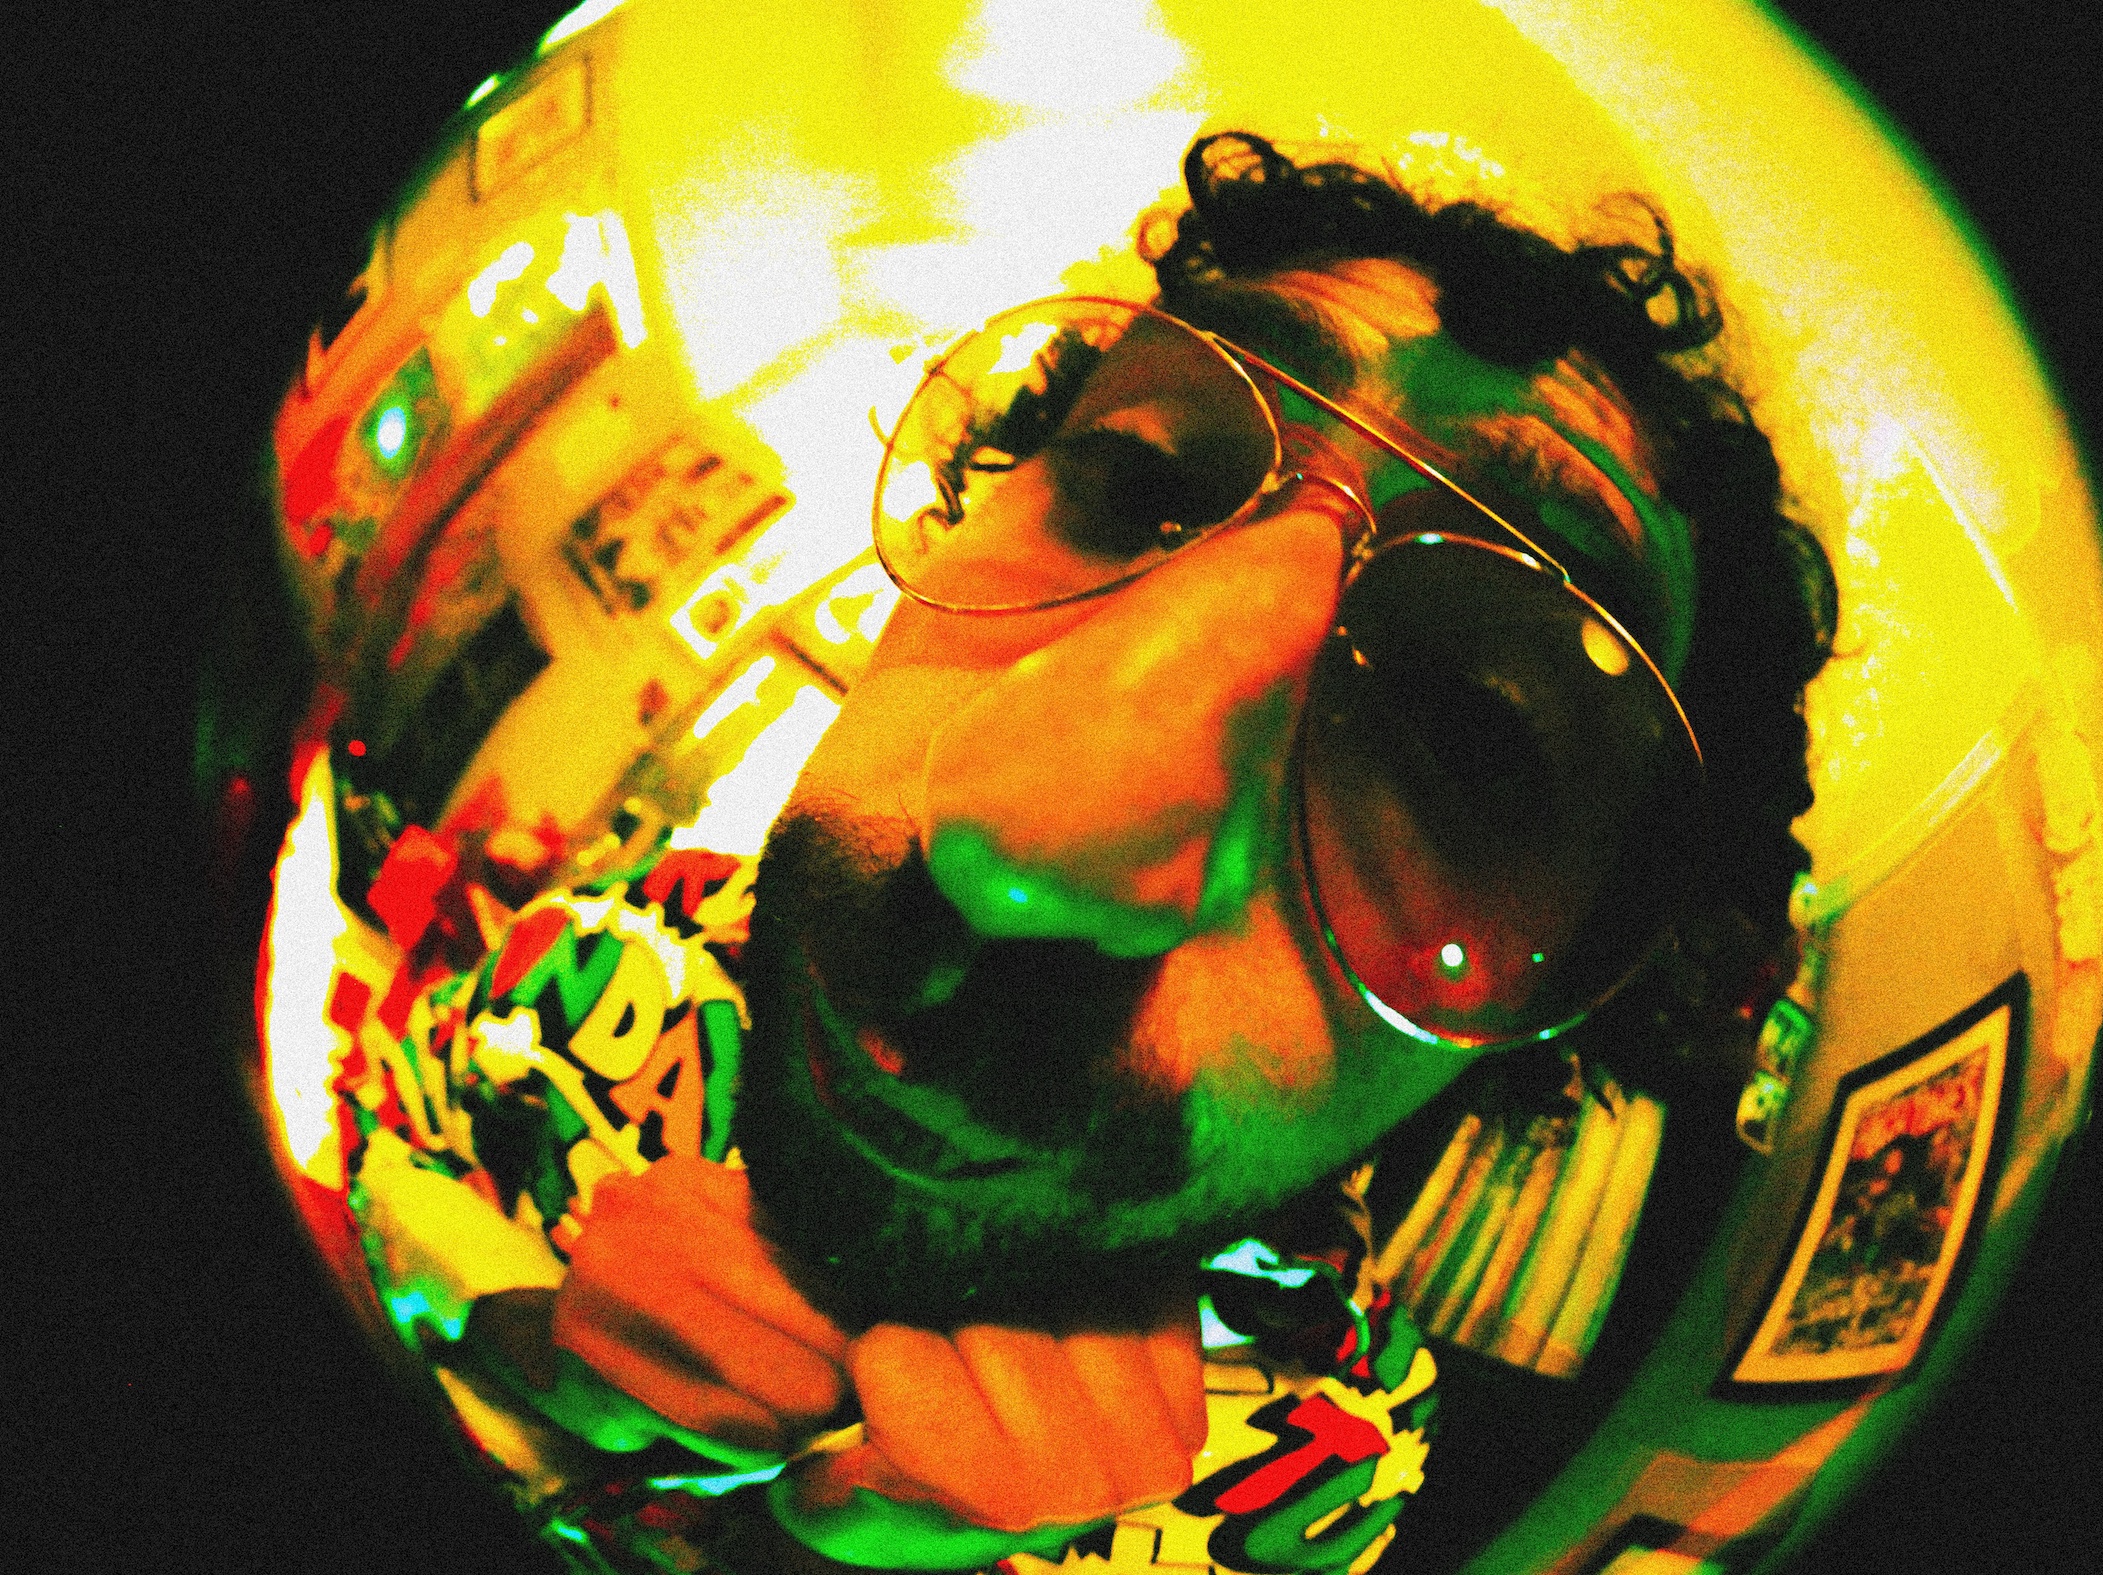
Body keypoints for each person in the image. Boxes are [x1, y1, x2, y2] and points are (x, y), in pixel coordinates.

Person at [336, 131, 1836, 1573]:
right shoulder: (594, 968)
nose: (1025, 855)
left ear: (1566, 1000)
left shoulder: (1326, 1471)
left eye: (1468, 734)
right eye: (1137, 485)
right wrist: (513, 1335)